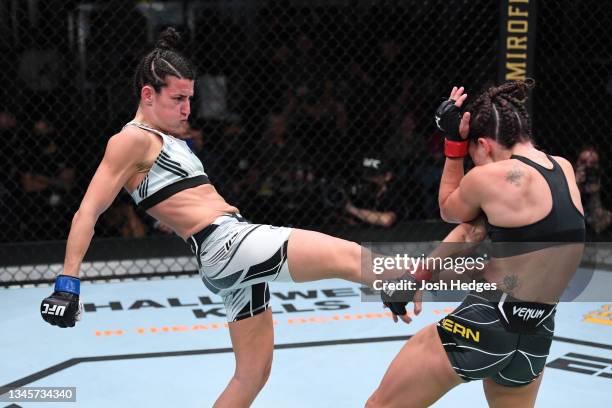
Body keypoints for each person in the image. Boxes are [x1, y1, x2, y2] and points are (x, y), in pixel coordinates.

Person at [38, 28, 416, 407]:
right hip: (225, 244)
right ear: (147, 95)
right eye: (178, 99)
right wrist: (67, 281)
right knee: (348, 257)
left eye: (190, 98)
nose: (187, 109)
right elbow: (88, 210)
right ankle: (452, 291)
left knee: (252, 375)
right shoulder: (130, 140)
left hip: (224, 253)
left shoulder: (167, 138)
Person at [367, 80, 585, 407]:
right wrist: (417, 277)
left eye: (474, 155)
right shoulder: (563, 169)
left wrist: (454, 144)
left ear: (483, 144)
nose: (476, 164)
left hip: (486, 321)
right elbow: (473, 230)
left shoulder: (491, 177)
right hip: (536, 336)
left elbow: (450, 210)